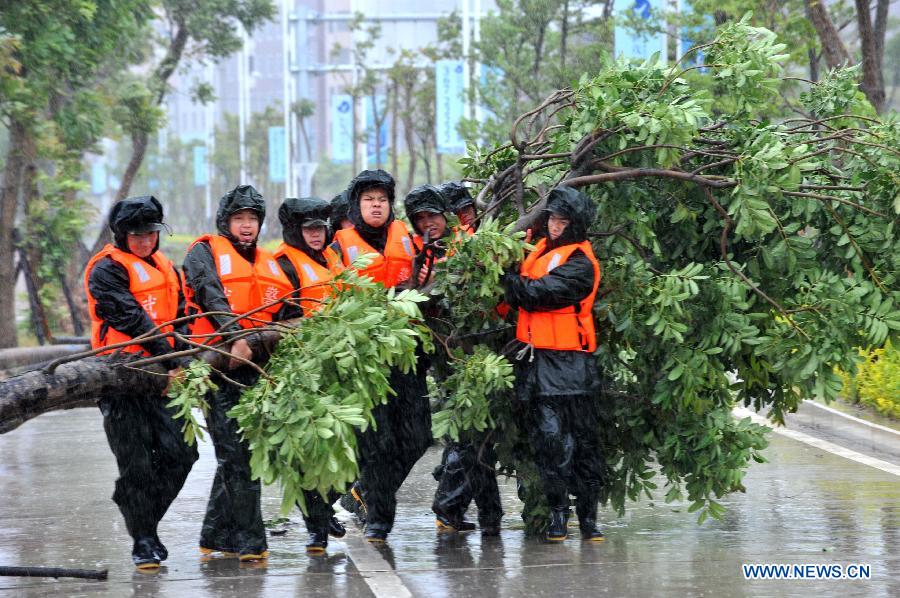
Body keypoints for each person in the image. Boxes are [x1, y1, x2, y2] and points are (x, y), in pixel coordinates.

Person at [84, 195, 199, 570]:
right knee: (136, 465)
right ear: (121, 234)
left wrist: (178, 362)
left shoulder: (168, 267)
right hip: (121, 378)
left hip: (163, 375)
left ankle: (141, 518)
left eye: (151, 233)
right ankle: (144, 541)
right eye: (137, 235)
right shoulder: (106, 269)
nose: (146, 241)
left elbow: (182, 319)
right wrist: (167, 362)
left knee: (183, 452)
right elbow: (132, 318)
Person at [183, 184, 294, 561]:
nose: (246, 226)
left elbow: (284, 313)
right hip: (217, 367)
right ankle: (252, 543)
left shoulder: (269, 262)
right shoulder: (204, 252)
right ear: (225, 221)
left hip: (257, 373)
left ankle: (213, 537)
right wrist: (235, 338)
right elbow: (210, 293)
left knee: (242, 454)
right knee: (236, 456)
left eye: (252, 220)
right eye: (239, 219)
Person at [326, 169, 431, 544]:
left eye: (382, 200)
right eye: (369, 199)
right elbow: (333, 300)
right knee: (378, 441)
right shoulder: (338, 246)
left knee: (418, 436)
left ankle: (365, 490)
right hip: (367, 361)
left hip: (409, 354)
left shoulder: (411, 240)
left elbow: (428, 283)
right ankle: (379, 520)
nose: (376, 205)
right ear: (357, 205)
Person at [502, 186, 605, 543]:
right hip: (538, 364)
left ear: (576, 225)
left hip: (574, 366)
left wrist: (507, 278)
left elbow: (536, 295)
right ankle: (558, 513)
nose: (555, 225)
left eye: (563, 220)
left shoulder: (581, 264)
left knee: (584, 446)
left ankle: (589, 518)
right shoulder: (538, 248)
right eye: (552, 218)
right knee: (549, 445)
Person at [404, 185, 504, 536]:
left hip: (481, 350)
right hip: (448, 356)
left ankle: (488, 513)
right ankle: (450, 505)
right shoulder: (417, 254)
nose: (428, 223)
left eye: (433, 216)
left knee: (483, 434)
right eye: (421, 219)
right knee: (470, 434)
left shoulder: (469, 244)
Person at [273, 197, 347, 553]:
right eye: (309, 230)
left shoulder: (334, 258)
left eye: (321, 229)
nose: (317, 235)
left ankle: (324, 508)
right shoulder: (284, 265)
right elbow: (277, 321)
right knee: (310, 450)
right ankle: (315, 526)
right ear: (295, 232)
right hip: (301, 368)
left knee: (347, 442)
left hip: (340, 363)